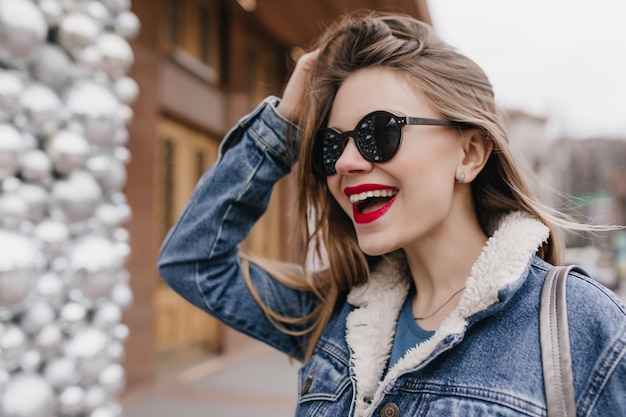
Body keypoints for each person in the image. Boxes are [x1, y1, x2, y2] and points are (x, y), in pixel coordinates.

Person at [157, 12, 626, 417]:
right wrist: (282, 126)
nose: (345, 162)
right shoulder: (337, 317)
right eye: (330, 144)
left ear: (470, 153)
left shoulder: (579, 327)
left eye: (377, 132)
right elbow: (192, 261)